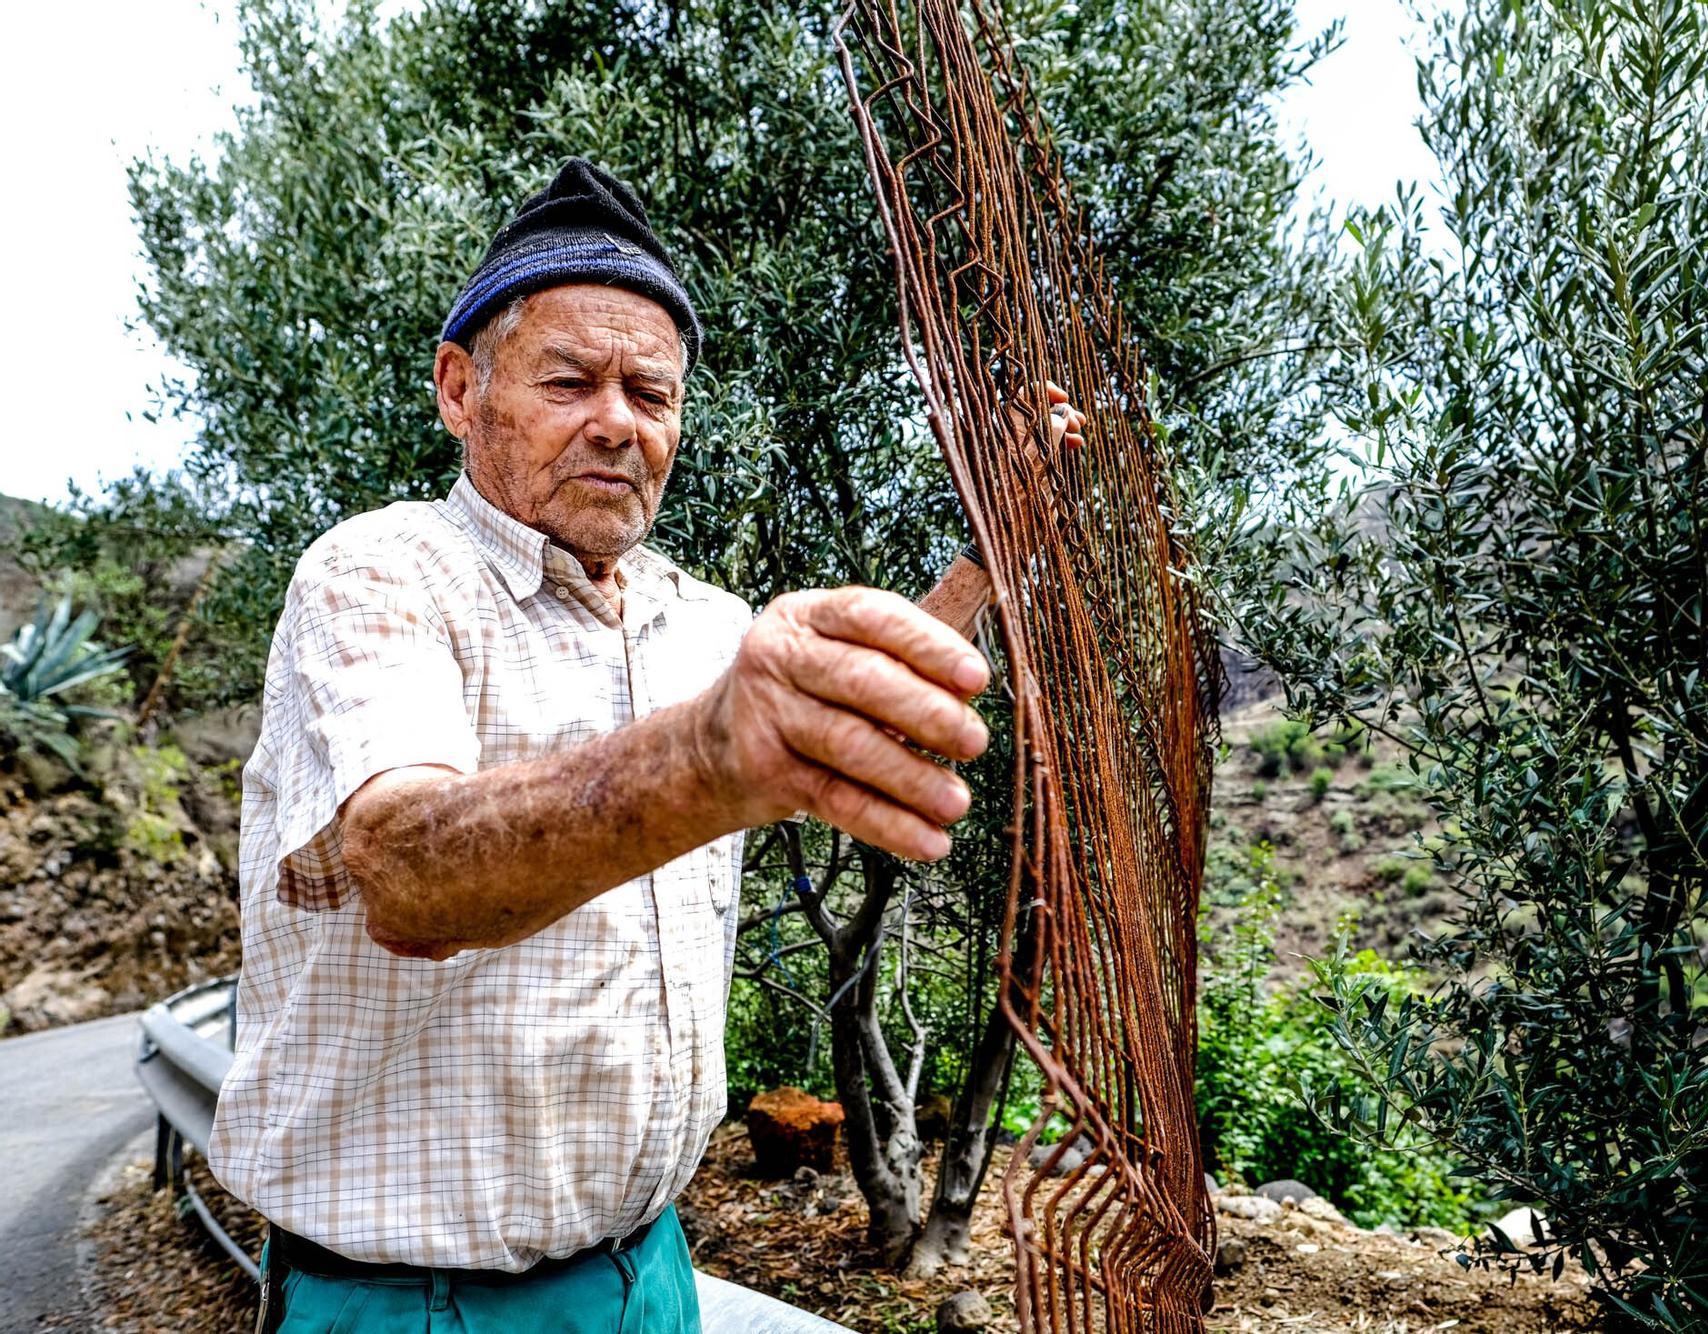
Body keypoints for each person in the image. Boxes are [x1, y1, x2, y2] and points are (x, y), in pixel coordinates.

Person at [208, 158, 1086, 1333]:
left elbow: (849, 717)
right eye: (570, 380)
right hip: (414, 1304)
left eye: (652, 394)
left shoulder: (698, 620)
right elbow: (407, 869)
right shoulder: (379, 572)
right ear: (460, 388)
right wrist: (710, 754)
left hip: (652, 1274)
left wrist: (992, 549)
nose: (617, 422)